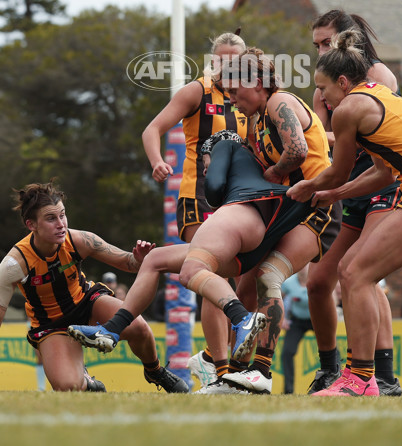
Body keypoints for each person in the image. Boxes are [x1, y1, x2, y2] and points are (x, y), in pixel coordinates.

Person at [67, 128, 317, 395]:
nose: (205, 170)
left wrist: (214, 175)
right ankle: (111, 330)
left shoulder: (224, 145)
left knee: (191, 272)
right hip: (252, 240)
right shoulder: (252, 169)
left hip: (241, 214)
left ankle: (242, 319)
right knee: (155, 259)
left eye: (205, 164)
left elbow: (214, 187)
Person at [288, 29, 402, 397]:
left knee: (355, 274)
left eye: (322, 89)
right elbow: (382, 172)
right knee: (352, 273)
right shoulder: (379, 95)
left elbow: (338, 169)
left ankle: (360, 379)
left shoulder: (349, 108)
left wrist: (310, 187)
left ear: (342, 82)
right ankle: (365, 378)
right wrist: (334, 193)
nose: (320, 97)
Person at [0, 180, 188, 394]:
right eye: (51, 218)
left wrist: (139, 257)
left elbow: (128, 262)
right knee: (68, 387)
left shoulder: (80, 240)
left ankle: (155, 371)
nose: (61, 224)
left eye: (63, 215)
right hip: (51, 324)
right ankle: (88, 382)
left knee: (139, 328)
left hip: (87, 302)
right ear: (31, 224)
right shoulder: (14, 264)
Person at [218, 49, 341, 394]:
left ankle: (262, 372)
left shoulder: (278, 102)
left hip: (317, 208)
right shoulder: (256, 120)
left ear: (257, 84)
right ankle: (232, 374)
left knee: (267, 274)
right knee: (242, 287)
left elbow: (298, 150)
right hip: (287, 211)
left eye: (233, 91)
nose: (231, 100)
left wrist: (273, 172)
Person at [142, 30, 248, 385]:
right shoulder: (198, 91)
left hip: (238, 200)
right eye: (222, 59)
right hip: (198, 197)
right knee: (211, 273)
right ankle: (221, 370)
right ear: (212, 60)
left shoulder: (251, 97)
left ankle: (216, 361)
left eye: (236, 59)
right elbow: (153, 129)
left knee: (242, 281)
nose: (228, 65)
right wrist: (157, 161)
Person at [305, 9, 402, 396]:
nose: (320, 52)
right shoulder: (323, 88)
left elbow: (373, 133)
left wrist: (302, 130)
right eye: (315, 46)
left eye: (326, 43)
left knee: (360, 274)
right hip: (351, 190)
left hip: (383, 182)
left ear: (348, 39)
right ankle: (329, 370)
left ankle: (381, 377)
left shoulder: (377, 78)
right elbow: (320, 144)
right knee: (318, 282)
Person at [280, 264, 314, 394]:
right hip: (297, 320)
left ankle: (335, 382)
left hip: (317, 319)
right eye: (301, 264)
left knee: (332, 350)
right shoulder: (289, 283)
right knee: (287, 353)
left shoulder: (317, 278)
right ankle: (288, 390)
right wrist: (282, 319)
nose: (302, 268)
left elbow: (331, 298)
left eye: (305, 265)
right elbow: (278, 298)